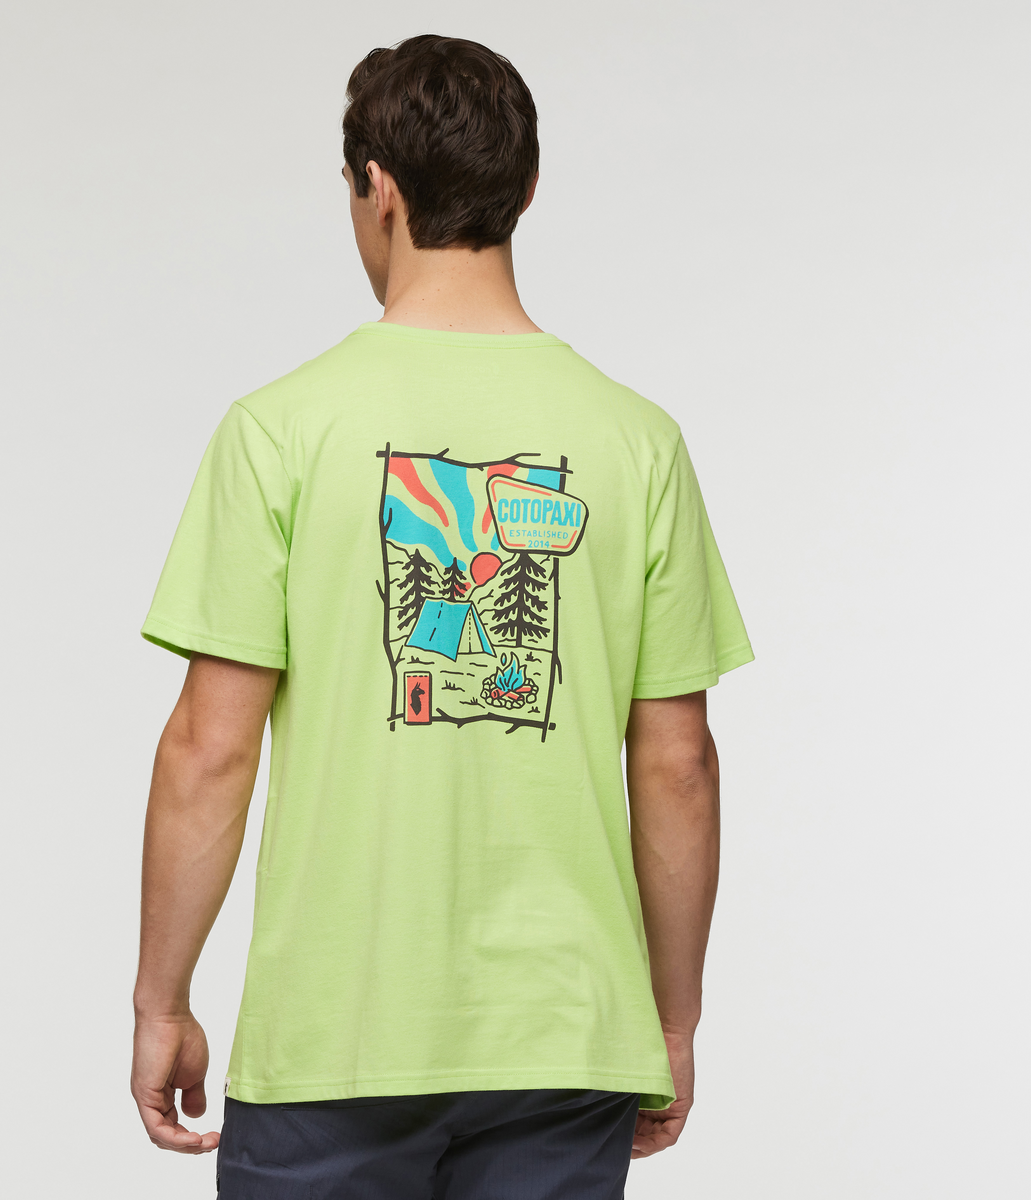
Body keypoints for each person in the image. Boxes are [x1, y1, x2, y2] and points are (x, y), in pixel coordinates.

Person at [131, 33, 753, 1200]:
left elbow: (208, 748)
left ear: (376, 186)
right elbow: (679, 765)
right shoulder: (638, 442)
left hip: (334, 1037)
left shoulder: (279, 431)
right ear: (527, 188)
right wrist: (668, 1023)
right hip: (564, 1038)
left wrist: (161, 1001)